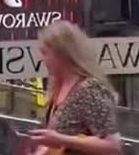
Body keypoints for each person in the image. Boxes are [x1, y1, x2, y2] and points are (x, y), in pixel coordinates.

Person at [24, 21, 120, 155]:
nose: (41, 59)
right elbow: (54, 141)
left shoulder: (89, 89)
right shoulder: (56, 87)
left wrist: (62, 140)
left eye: (45, 53)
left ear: (62, 54)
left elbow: (112, 146)